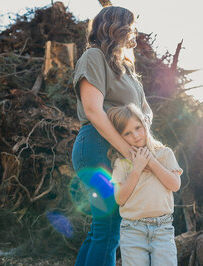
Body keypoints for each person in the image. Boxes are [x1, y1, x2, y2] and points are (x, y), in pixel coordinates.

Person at [71, 6, 153, 266]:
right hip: (96, 146)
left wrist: (142, 138)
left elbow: (146, 111)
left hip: (117, 153)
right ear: (116, 26)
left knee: (101, 230)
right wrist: (130, 152)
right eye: (131, 25)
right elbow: (93, 111)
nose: (134, 32)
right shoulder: (94, 57)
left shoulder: (128, 70)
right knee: (108, 232)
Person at [107, 104, 183, 266]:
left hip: (163, 228)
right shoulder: (121, 163)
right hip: (133, 230)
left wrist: (151, 161)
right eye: (127, 133)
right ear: (120, 137)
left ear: (144, 124)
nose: (135, 135)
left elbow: (175, 185)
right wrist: (136, 168)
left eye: (138, 128)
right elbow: (120, 199)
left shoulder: (165, 154)